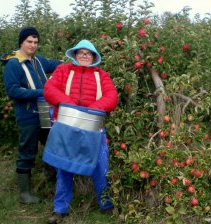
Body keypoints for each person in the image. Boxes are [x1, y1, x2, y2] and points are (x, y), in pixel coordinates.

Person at [42, 39, 118, 224]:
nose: (84, 56)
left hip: (93, 128)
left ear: (93, 57)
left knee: (101, 166)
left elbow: (112, 96)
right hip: (67, 126)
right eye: (81, 52)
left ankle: (106, 205)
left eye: (88, 53)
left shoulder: (102, 75)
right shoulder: (63, 71)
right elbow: (49, 89)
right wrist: (68, 103)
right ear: (74, 55)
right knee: (64, 167)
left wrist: (92, 108)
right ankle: (60, 210)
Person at [1, 27, 61, 204]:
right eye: (29, 42)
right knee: (28, 150)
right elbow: (12, 90)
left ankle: (53, 178)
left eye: (35, 42)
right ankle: (24, 193)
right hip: (27, 114)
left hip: (44, 113)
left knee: (51, 144)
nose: (33, 45)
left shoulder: (38, 61)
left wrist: (73, 62)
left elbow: (54, 64)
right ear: (21, 42)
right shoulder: (13, 64)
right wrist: (39, 93)